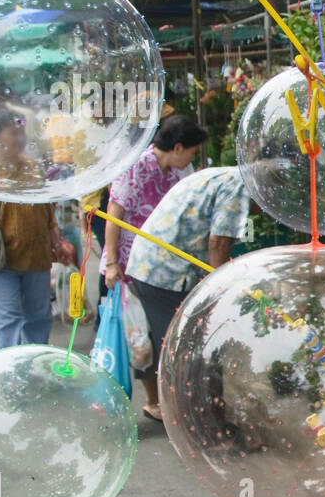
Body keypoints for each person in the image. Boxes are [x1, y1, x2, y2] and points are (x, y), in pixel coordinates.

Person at [124, 166, 251, 423]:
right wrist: (220, 297)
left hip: (152, 265)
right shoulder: (240, 185)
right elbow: (218, 244)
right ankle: (204, 427)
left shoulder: (228, 175)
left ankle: (184, 414)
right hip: (165, 272)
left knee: (171, 343)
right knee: (192, 349)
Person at [0, 111, 72, 348]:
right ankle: (11, 376)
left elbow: (47, 213)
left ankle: (34, 369)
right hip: (0, 261)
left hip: (37, 258)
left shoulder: (33, 167)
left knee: (39, 319)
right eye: (13, 133)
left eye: (22, 133)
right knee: (8, 322)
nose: (20, 138)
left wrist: (58, 243)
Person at [101, 114, 207, 291]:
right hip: (129, 263)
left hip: (157, 265)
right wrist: (111, 263)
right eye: (192, 153)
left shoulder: (174, 172)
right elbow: (114, 214)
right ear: (178, 148)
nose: (192, 158)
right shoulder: (136, 167)